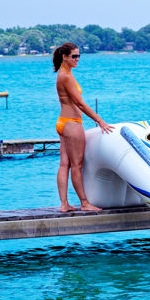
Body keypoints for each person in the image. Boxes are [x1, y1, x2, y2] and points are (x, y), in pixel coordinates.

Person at [53, 42, 114, 212]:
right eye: (74, 56)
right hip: (72, 124)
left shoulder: (63, 73)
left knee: (65, 164)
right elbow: (80, 104)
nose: (77, 59)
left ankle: (64, 204)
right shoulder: (66, 76)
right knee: (77, 165)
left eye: (79, 56)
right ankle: (84, 203)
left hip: (63, 122)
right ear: (64, 57)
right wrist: (99, 120)